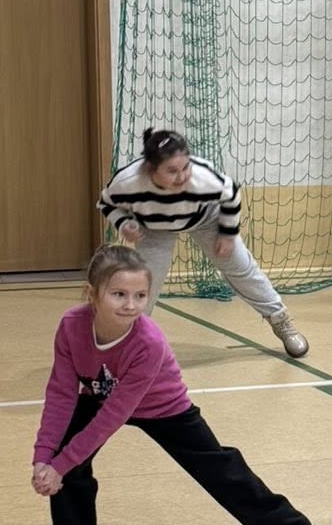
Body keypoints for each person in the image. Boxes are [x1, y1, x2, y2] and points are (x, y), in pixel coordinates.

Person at [28, 246, 332, 525]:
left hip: (159, 404)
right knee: (68, 471)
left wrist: (60, 465)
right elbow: (61, 392)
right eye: (118, 294)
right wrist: (45, 458)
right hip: (98, 393)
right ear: (92, 294)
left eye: (140, 295)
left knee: (218, 466)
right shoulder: (72, 326)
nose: (131, 305)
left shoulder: (147, 341)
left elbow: (113, 416)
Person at [99, 126, 309, 356]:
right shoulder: (127, 182)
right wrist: (123, 223)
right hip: (153, 228)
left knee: (241, 267)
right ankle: (131, 341)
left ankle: (281, 321)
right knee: (144, 283)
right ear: (150, 169)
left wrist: (227, 234)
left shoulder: (203, 177)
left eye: (185, 167)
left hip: (205, 218)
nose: (182, 177)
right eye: (172, 171)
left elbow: (232, 195)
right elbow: (106, 203)